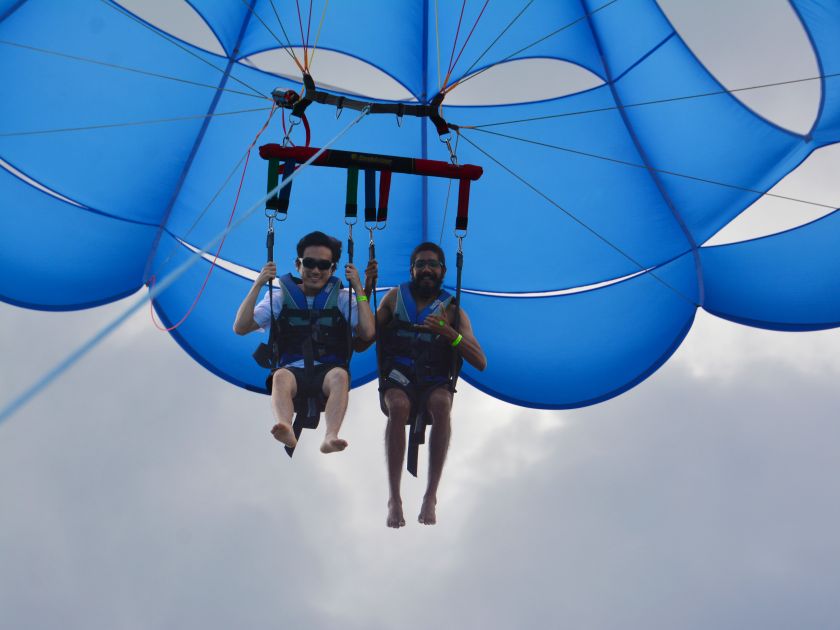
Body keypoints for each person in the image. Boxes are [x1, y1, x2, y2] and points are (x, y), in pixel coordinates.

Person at [362, 242, 486, 527]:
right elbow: (362, 340)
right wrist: (367, 290)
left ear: (443, 271)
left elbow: (480, 361)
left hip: (434, 380)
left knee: (442, 404)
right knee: (398, 405)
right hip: (398, 378)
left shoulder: (454, 311)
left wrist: (449, 333)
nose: (426, 269)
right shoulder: (394, 298)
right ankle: (394, 497)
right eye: (421, 264)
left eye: (432, 264)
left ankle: (431, 495)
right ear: (412, 270)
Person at [233, 231, 374, 453]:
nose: (316, 270)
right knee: (280, 376)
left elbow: (367, 332)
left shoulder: (343, 299)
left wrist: (358, 288)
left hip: (328, 371)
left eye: (323, 265)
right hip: (292, 370)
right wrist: (258, 283)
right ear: (298, 265)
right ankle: (285, 427)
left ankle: (331, 436)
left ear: (333, 269)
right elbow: (240, 327)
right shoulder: (279, 298)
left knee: (340, 376)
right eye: (309, 263)